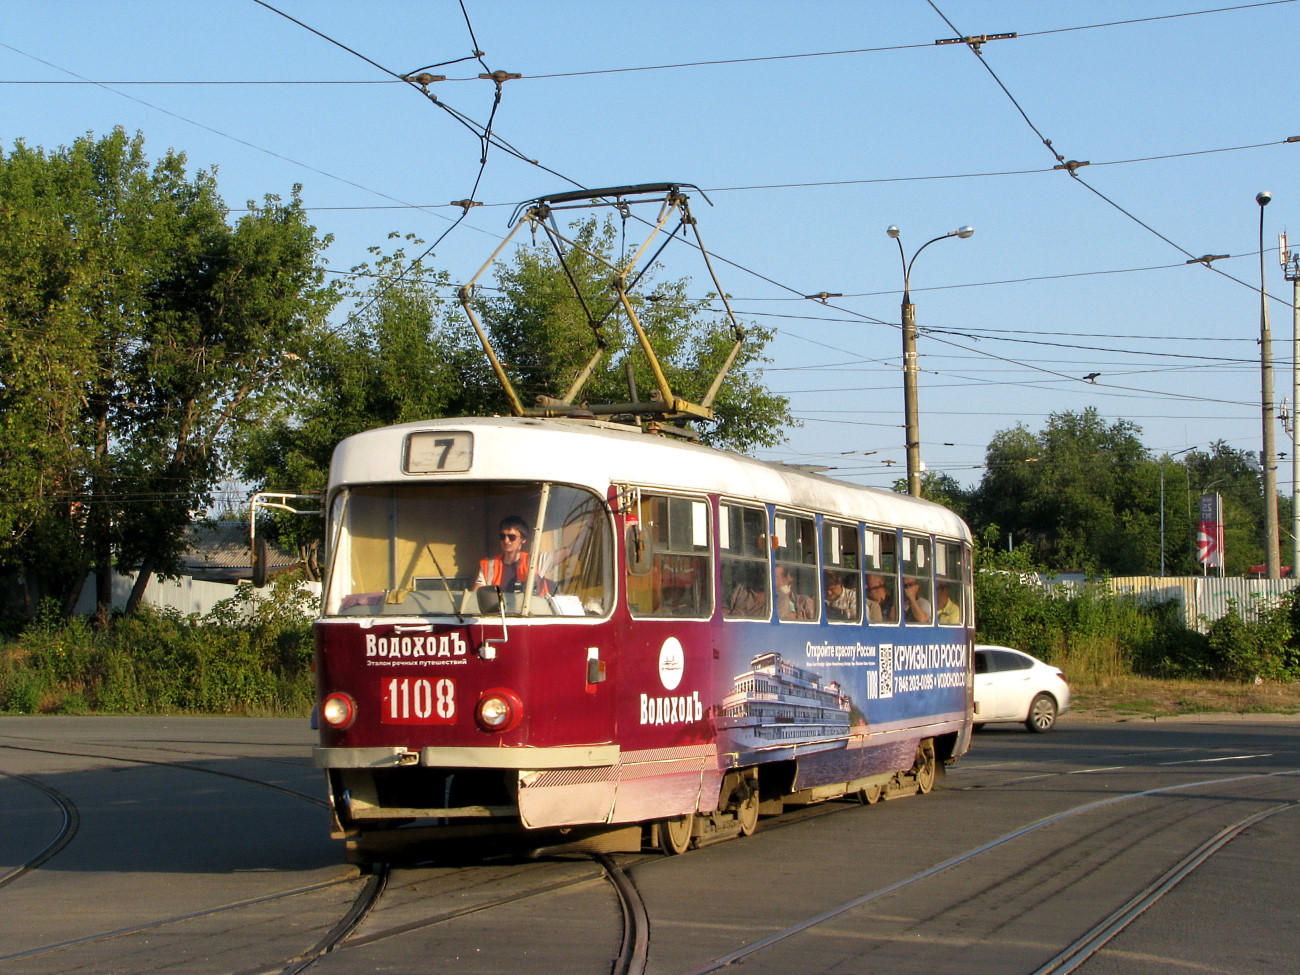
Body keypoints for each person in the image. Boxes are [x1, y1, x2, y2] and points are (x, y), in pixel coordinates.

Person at [474, 515, 548, 593]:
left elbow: (542, 596)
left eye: (511, 537)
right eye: (502, 536)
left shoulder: (534, 562)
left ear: (523, 539)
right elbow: (476, 595)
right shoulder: (488, 565)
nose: (506, 540)